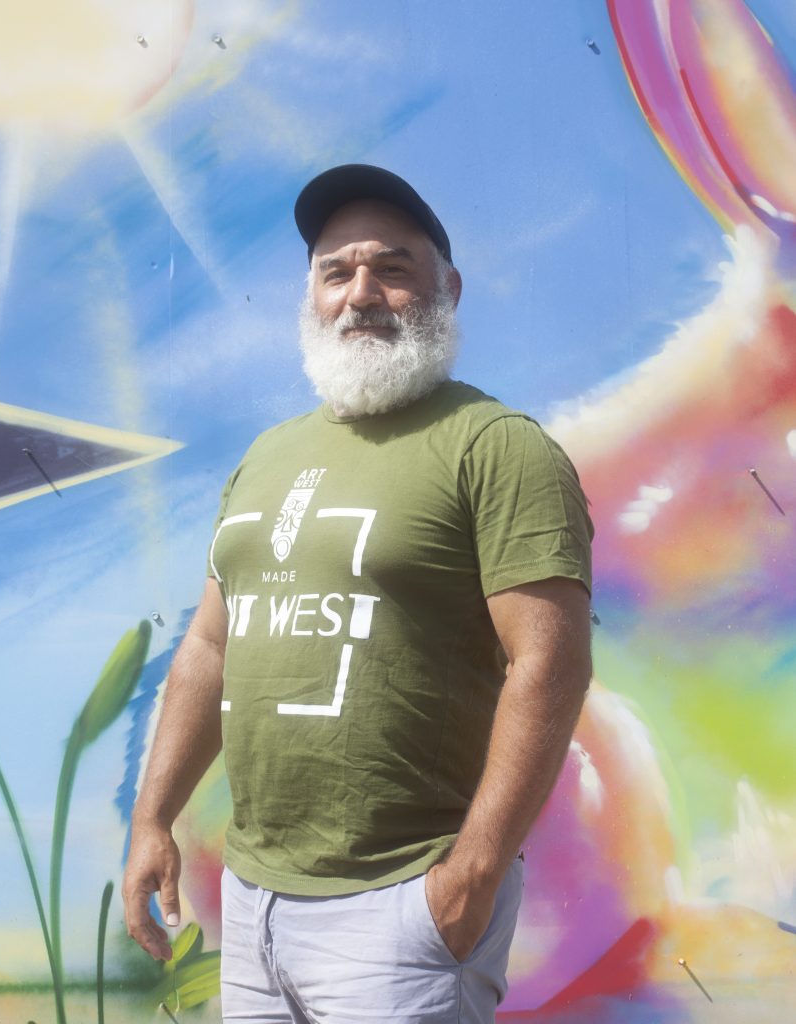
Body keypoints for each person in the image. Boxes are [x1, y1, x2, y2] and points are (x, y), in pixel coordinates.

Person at [123, 164, 593, 1024]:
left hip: (405, 905)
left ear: (446, 287)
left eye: (392, 267)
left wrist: (472, 876)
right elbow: (209, 647)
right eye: (336, 272)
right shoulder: (265, 457)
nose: (361, 293)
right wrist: (152, 820)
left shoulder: (496, 447)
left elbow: (550, 663)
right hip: (256, 901)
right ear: (311, 295)